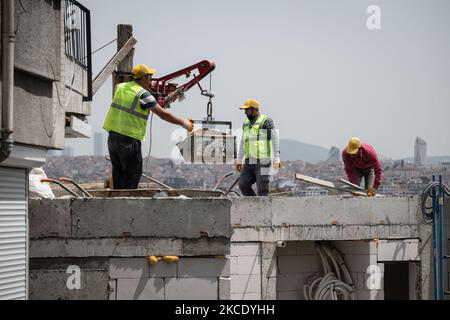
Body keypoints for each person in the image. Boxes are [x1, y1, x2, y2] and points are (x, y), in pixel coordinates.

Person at [103, 64, 193, 189]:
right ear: (144, 78)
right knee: (132, 175)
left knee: (118, 175)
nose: (151, 80)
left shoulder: (120, 88)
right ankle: (127, 204)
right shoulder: (143, 94)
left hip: (113, 138)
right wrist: (184, 123)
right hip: (129, 140)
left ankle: (117, 202)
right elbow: (162, 114)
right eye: (150, 77)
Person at [235, 99, 281, 196]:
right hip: (249, 160)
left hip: (263, 159)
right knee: (243, 184)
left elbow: (274, 138)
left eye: (246, 110)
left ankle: (263, 209)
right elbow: (244, 141)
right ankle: (255, 205)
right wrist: (239, 159)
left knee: (262, 187)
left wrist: (277, 157)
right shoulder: (246, 123)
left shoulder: (266, 121)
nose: (245, 112)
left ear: (253, 109)